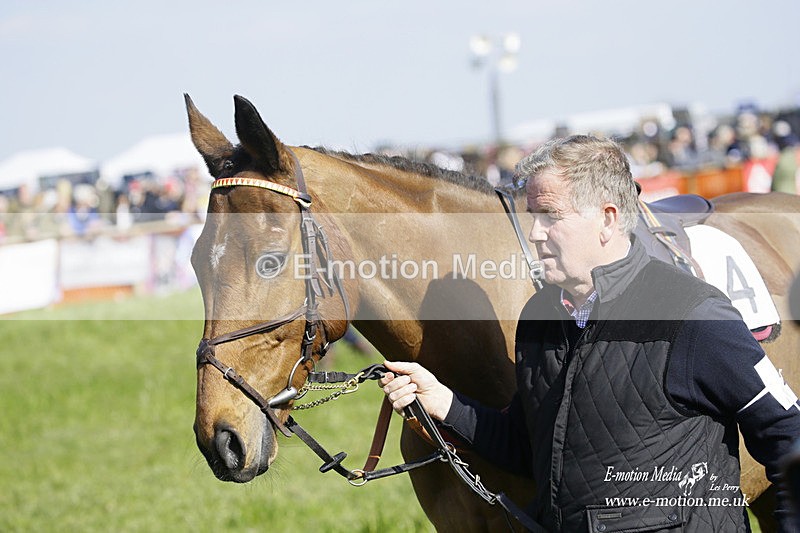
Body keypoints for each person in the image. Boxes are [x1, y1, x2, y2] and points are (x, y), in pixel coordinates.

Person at [380, 135, 800, 532]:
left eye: (550, 216)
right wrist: (444, 403)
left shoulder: (694, 313)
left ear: (607, 219)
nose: (535, 233)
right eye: (532, 216)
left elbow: (789, 434)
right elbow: (529, 447)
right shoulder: (539, 317)